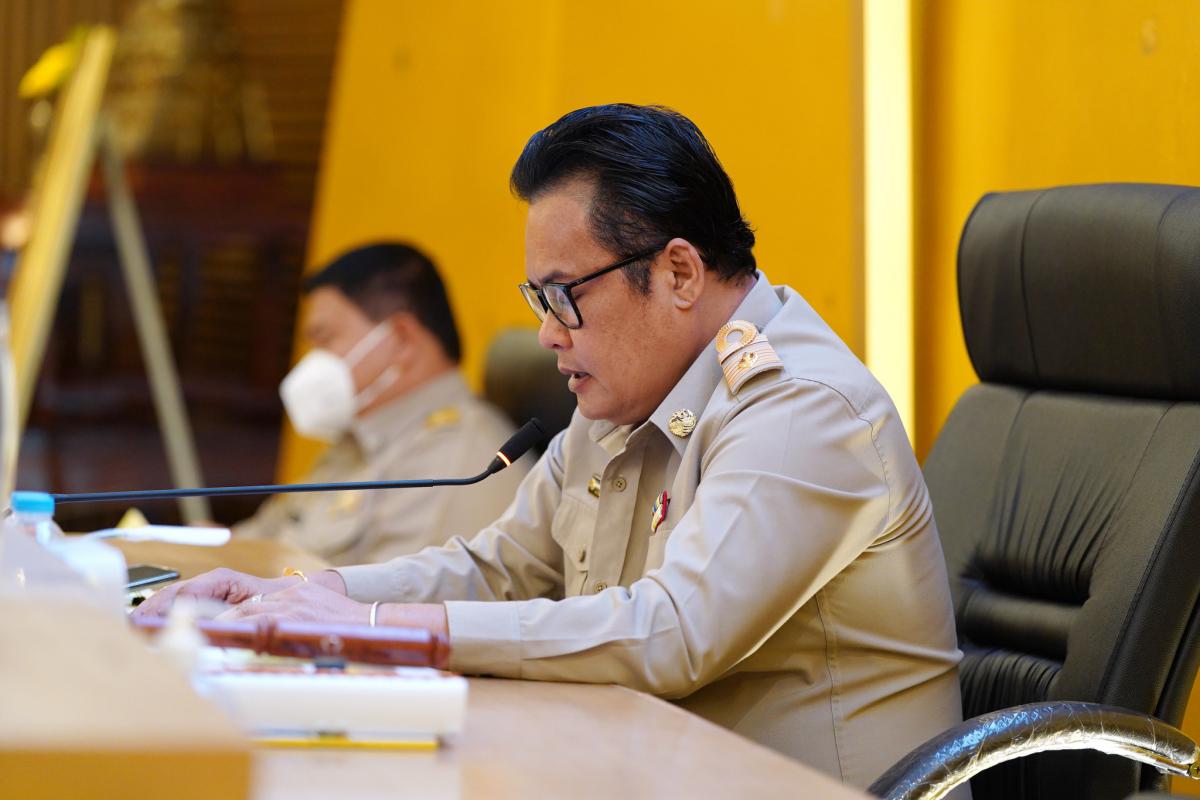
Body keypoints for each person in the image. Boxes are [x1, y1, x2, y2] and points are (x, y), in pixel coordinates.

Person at [138, 105, 964, 790]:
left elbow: (670, 633)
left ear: (679, 273)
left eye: (564, 296)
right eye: (538, 298)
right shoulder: (627, 398)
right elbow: (500, 567)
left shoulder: (799, 409)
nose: (546, 333)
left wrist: (374, 623)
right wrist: (304, 596)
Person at [233, 242, 529, 564]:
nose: (313, 361)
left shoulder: (457, 465)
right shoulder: (359, 443)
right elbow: (255, 542)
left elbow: (391, 596)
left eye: (325, 339)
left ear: (401, 340)